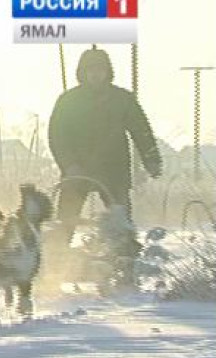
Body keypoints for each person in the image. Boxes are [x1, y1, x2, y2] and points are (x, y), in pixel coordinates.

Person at [48, 47, 163, 245]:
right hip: (78, 169)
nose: (95, 74)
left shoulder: (122, 99)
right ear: (82, 72)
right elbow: (57, 136)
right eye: (90, 70)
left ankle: (123, 259)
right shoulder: (68, 101)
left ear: (107, 71)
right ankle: (57, 261)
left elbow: (141, 131)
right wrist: (69, 164)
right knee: (65, 220)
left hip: (114, 169)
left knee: (120, 222)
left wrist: (151, 160)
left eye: (99, 69)